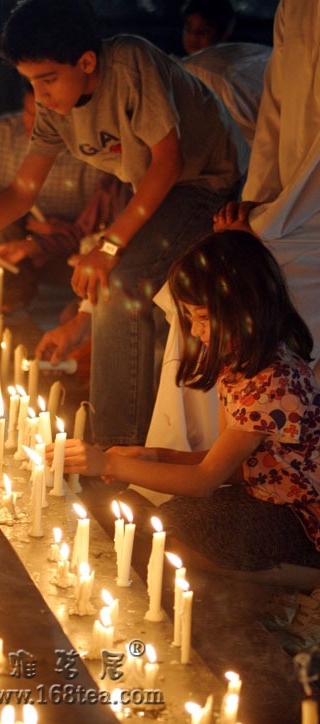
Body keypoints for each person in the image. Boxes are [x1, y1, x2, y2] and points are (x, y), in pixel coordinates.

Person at [0, 0, 248, 447]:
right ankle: (114, 430)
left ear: (87, 62)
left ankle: (114, 446)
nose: (39, 96)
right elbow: (22, 192)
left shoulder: (130, 64)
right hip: (152, 190)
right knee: (100, 284)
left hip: (206, 184)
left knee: (119, 281)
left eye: (47, 80)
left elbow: (168, 162)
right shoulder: (53, 109)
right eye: (30, 84)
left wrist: (108, 246)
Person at [51, 231, 320, 573]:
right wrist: (154, 455)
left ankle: (303, 578)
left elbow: (205, 480)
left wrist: (107, 464)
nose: (194, 332)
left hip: (301, 520)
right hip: (262, 495)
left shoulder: (274, 382)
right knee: (154, 520)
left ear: (246, 306)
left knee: (171, 539)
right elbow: (223, 464)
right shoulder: (237, 363)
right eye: (191, 318)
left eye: (203, 318)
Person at [214, 0, 320, 382]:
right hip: (286, 205)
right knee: (200, 294)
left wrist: (265, 223)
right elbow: (274, 107)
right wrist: (255, 203)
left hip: (304, 218)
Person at [0, 84, 103, 307]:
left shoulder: (90, 152)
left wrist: (59, 230)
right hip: (10, 236)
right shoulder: (3, 134)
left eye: (44, 116)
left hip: (66, 245)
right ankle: (8, 293)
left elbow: (102, 216)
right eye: (29, 113)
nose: (34, 123)